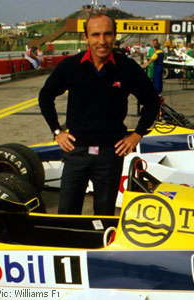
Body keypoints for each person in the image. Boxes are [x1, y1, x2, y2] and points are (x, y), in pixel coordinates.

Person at [38, 13, 160, 216]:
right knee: (66, 215)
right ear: (86, 37)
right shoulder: (70, 66)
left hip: (110, 154)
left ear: (115, 36)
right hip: (75, 151)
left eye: (107, 34)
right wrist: (57, 131)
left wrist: (137, 134)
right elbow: (45, 97)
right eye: (95, 35)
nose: (102, 41)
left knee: (104, 217)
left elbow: (152, 101)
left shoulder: (127, 67)